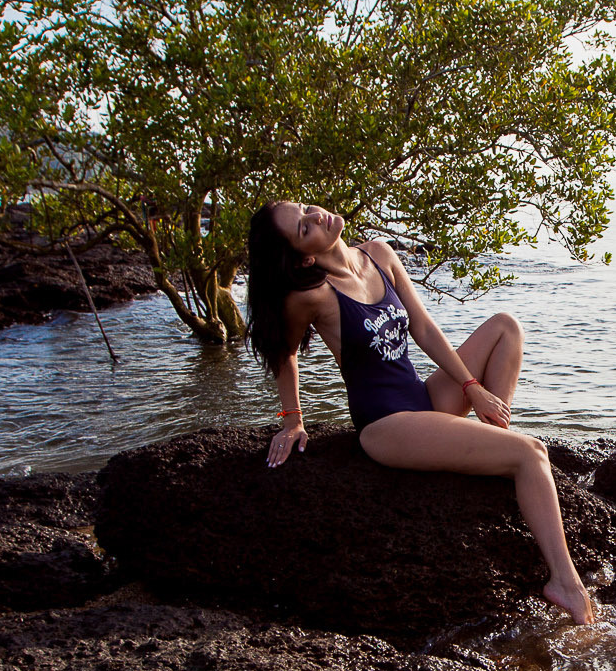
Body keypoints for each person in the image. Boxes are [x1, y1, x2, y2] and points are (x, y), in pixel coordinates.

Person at [246, 200, 595, 624]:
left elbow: (424, 328)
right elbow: (284, 354)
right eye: (304, 227)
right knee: (531, 452)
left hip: (422, 397)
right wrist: (293, 420)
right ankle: (565, 584)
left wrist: (471, 388)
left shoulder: (378, 253)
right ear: (305, 257)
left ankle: (497, 444)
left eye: (305, 208)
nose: (315, 215)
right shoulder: (312, 295)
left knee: (506, 326)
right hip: (385, 424)